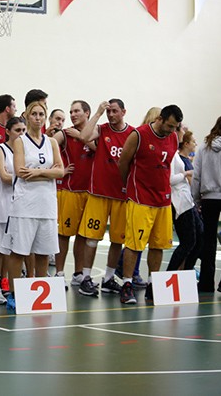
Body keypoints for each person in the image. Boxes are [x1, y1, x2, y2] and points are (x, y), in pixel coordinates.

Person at [118, 105, 183, 304]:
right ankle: (127, 284)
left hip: (163, 200)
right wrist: (129, 187)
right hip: (140, 198)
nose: (172, 130)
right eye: (170, 126)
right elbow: (123, 163)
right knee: (134, 244)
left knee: (158, 244)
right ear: (160, 119)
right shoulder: (138, 135)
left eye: (175, 127)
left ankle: (152, 284)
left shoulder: (173, 137)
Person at [5, 101, 65, 311]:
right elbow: (21, 171)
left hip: (47, 204)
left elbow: (61, 171)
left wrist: (38, 172)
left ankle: (38, 294)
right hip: (25, 205)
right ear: (27, 117)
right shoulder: (20, 142)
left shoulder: (52, 142)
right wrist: (49, 172)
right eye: (34, 114)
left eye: (41, 114)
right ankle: (13, 294)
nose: (38, 118)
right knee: (19, 251)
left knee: (43, 252)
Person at [76, 100, 135, 296]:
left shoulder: (132, 134)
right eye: (108, 112)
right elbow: (84, 136)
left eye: (114, 111)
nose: (111, 115)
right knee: (92, 238)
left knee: (118, 240)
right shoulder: (102, 129)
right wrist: (98, 113)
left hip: (121, 195)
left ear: (124, 112)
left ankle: (109, 278)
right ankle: (86, 277)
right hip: (99, 193)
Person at [52, 100, 93, 288]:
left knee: (83, 235)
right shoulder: (65, 134)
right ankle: (59, 273)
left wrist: (83, 137)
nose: (73, 114)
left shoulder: (95, 133)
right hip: (70, 191)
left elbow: (102, 151)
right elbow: (47, 145)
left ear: (87, 113)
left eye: (77, 111)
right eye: (71, 112)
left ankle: (78, 273)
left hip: (90, 193)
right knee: (64, 234)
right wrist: (59, 168)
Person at [0, 116, 26, 305]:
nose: (21, 134)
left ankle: (13, 288)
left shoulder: (26, 151)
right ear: (8, 131)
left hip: (21, 206)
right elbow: (4, 176)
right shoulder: (0, 149)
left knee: (16, 249)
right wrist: (30, 176)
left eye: (23, 130)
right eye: (18, 130)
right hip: (3, 205)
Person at [193, 116, 221, 293]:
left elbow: (196, 176)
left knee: (208, 242)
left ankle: (206, 284)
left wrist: (196, 200)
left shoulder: (203, 148)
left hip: (208, 198)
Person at [167, 126, 203, 271]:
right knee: (188, 241)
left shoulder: (176, 153)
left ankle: (186, 271)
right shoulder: (172, 154)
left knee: (198, 238)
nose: (183, 131)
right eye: (181, 129)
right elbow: (170, 180)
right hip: (180, 202)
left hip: (187, 201)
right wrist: (186, 174)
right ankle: (172, 273)